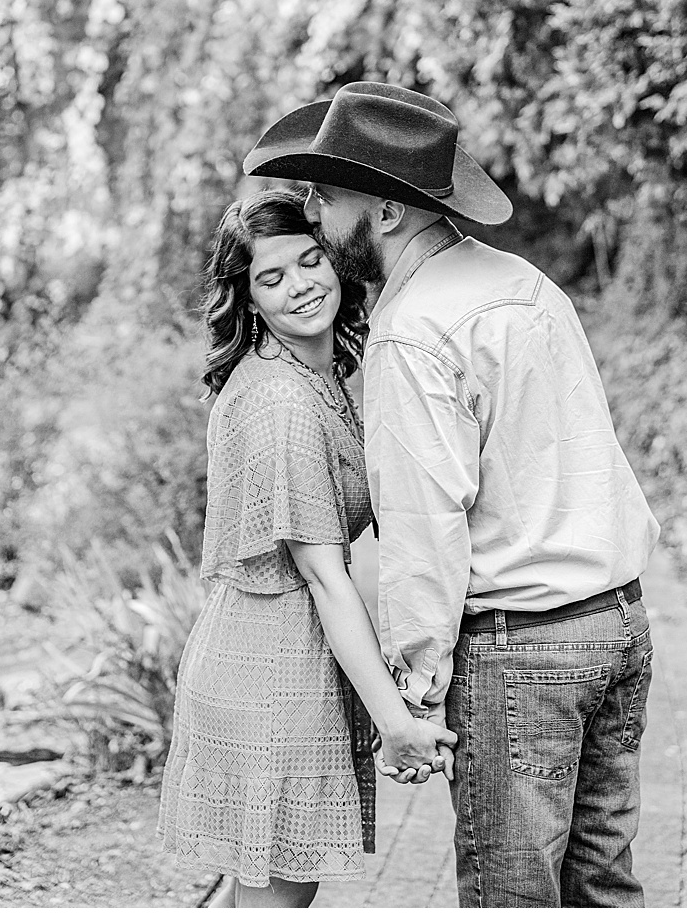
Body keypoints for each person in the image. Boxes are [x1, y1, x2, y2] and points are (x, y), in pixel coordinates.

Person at [244, 82, 662, 907]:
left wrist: (414, 695)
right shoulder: (525, 282)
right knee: (603, 889)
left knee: (512, 896)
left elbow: (424, 530)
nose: (314, 215)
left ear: (386, 212)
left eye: (326, 196)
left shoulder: (412, 333)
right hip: (620, 623)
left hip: (523, 651)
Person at [158, 190, 456, 908]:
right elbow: (325, 577)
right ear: (250, 300)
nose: (300, 285)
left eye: (310, 259)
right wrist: (395, 722)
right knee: (278, 898)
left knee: (263, 894)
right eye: (272, 277)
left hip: (286, 660)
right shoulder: (282, 400)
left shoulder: (319, 373)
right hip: (266, 679)